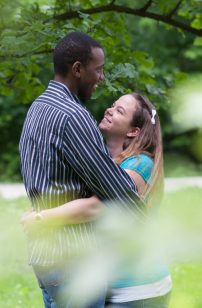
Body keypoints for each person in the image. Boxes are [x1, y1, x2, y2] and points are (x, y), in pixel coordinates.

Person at [19, 31, 145, 308]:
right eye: (97, 70)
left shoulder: (38, 108)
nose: (101, 77)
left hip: (45, 254)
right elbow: (114, 187)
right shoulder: (73, 116)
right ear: (78, 69)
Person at [22, 92, 171, 307]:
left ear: (133, 131)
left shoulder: (140, 164)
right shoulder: (102, 162)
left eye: (119, 111)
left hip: (137, 288)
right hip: (110, 284)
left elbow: (95, 207)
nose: (110, 110)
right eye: (112, 105)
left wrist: (41, 218)